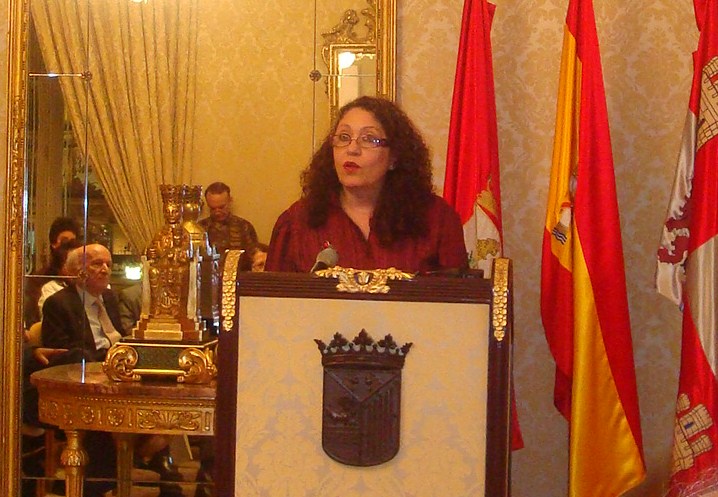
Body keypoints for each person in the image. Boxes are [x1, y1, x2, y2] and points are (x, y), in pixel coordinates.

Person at [266, 96, 467, 273]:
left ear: (394, 157)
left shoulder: (436, 220)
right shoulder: (297, 223)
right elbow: (271, 306)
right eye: (344, 137)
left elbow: (459, 305)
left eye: (369, 139)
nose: (352, 149)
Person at [24, 216, 81, 327]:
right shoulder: (39, 280)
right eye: (64, 241)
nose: (69, 246)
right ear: (53, 244)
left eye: (72, 242)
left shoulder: (80, 280)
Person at [199, 181, 258, 256]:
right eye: (213, 209)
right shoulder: (200, 228)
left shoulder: (244, 227)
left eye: (221, 207)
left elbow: (255, 257)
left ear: (230, 201)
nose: (217, 212)